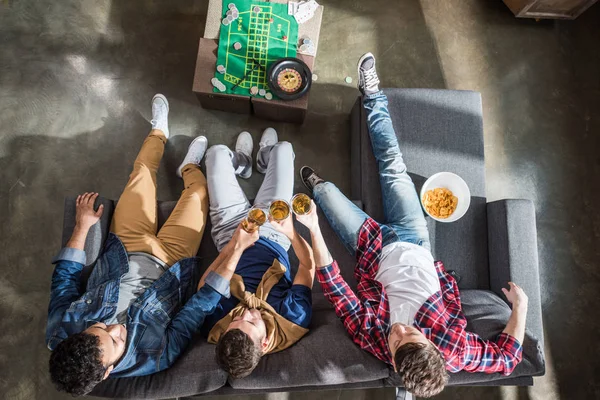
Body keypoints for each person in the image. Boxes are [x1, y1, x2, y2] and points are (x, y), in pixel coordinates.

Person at [299, 53, 529, 398]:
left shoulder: (374, 339)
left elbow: (336, 288)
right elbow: (508, 359)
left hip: (371, 247)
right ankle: (373, 95)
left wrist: (314, 229)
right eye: (412, 334)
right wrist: (520, 307)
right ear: (434, 348)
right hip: (415, 238)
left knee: (326, 192)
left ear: (391, 359)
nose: (402, 329)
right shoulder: (456, 348)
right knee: (392, 164)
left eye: (397, 339)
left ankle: (317, 187)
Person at [46, 94, 253, 395]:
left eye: (99, 327)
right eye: (114, 341)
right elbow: (197, 308)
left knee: (142, 172)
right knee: (199, 193)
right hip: (173, 262)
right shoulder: (154, 356)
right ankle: (188, 168)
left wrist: (83, 226)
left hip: (124, 246)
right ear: (107, 373)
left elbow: (64, 278)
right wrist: (236, 248)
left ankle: (159, 132)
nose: (114, 329)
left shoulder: (61, 329)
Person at [200, 129, 316, 379]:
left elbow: (204, 286)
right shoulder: (293, 317)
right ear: (264, 344)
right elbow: (307, 266)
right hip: (274, 234)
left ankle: (242, 163)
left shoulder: (217, 325)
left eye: (237, 319)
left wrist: (235, 244)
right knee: (284, 148)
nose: (246, 313)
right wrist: (291, 232)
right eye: (252, 322)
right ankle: (265, 158)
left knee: (216, 153)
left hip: (230, 231)